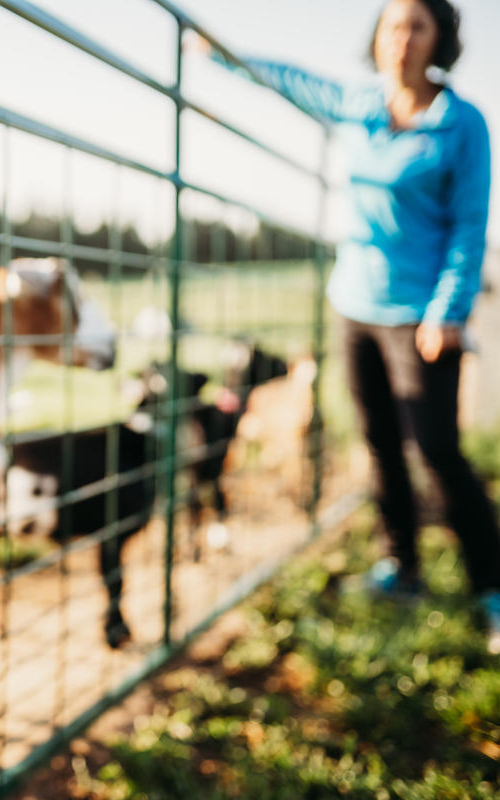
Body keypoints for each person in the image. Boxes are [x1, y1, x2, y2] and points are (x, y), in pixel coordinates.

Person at [192, 0, 500, 653]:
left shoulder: (461, 124)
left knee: (438, 451)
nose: (403, 39)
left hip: (421, 316)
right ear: (379, 38)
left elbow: (468, 226)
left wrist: (448, 311)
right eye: (393, 25)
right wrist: (225, 56)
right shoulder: (360, 104)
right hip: (353, 305)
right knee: (381, 444)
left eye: (418, 25)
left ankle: (492, 587)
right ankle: (402, 570)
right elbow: (295, 81)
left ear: (440, 38)